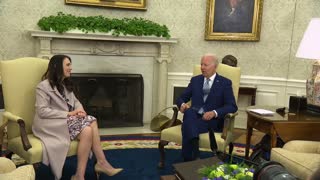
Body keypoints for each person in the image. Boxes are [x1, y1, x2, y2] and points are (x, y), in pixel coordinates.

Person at [32, 55, 122, 180]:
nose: (71, 68)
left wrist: (80, 110)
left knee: (88, 130)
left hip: (65, 121)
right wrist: (68, 114)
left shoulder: (65, 85)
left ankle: (79, 175)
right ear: (57, 67)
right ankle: (101, 162)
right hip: (49, 124)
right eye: (68, 65)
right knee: (92, 121)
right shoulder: (43, 86)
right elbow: (42, 111)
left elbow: (76, 102)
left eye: (70, 65)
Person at [176, 54, 238, 161]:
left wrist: (214, 112)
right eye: (201, 64)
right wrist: (182, 105)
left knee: (187, 124)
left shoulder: (225, 83)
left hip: (212, 121)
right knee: (189, 112)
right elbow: (181, 98)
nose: (202, 67)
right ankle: (194, 155)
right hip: (194, 117)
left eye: (206, 65)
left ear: (215, 67)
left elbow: (232, 106)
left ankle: (190, 158)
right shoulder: (195, 80)